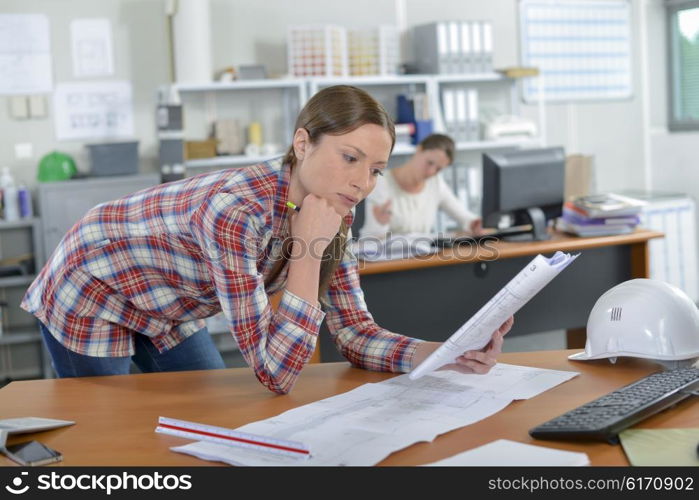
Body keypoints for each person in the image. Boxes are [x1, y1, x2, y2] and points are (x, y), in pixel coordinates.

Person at [21, 85, 512, 394]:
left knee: (209, 408)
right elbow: (274, 374)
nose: (363, 181)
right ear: (302, 144)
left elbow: (357, 334)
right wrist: (310, 252)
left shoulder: (333, 210)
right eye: (350, 158)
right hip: (94, 287)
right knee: (110, 431)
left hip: (172, 304)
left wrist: (441, 352)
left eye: (377, 168)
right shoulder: (235, 212)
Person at [359, 133, 482, 239]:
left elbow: (464, 216)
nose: (431, 172)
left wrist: (474, 223)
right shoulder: (381, 182)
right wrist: (380, 223)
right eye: (429, 163)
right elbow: (367, 242)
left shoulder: (435, 183)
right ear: (419, 150)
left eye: (438, 169)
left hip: (421, 259)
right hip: (389, 263)